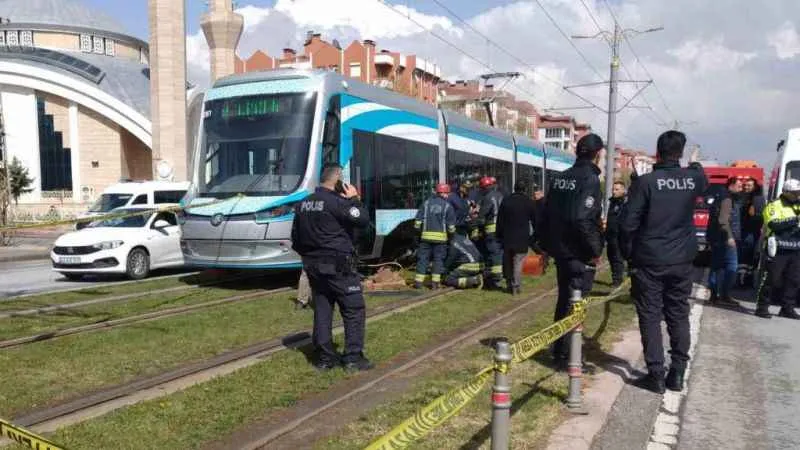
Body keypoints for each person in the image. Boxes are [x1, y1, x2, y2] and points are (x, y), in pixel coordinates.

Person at [621, 130, 707, 394]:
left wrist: (628, 255)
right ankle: (678, 373)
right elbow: (700, 176)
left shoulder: (646, 183)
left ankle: (656, 375)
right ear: (679, 153)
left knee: (650, 316)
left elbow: (627, 225)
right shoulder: (693, 180)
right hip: (682, 260)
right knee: (678, 313)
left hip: (650, 260)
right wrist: (694, 162)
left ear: (657, 152)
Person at [291, 164, 372, 372]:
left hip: (313, 267)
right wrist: (354, 198)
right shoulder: (337, 202)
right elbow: (362, 219)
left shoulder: (303, 204)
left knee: (323, 309)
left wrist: (311, 257)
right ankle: (353, 357)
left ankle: (325, 359)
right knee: (353, 308)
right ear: (338, 181)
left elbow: (296, 239)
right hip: (338, 266)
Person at [540, 133, 605, 365]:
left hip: (561, 251)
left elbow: (546, 214)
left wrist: (547, 247)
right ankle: (568, 356)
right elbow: (582, 219)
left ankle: (558, 349)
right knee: (576, 304)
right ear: (598, 155)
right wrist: (596, 249)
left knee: (564, 300)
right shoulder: (590, 179)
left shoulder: (560, 178)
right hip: (580, 252)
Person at [754, 179, 800, 319]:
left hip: (796, 248)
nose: (798, 195)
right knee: (771, 279)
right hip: (777, 247)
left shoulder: (798, 206)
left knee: (794, 279)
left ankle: (787, 308)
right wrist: (794, 221)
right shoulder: (774, 205)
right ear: (786, 192)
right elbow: (774, 224)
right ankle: (762, 307)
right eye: (795, 193)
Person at [706, 176, 744, 308]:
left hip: (716, 237)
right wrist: (730, 237)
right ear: (731, 185)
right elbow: (723, 221)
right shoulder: (727, 199)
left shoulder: (720, 195)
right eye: (739, 186)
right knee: (732, 266)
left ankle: (713, 296)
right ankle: (724, 295)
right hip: (725, 239)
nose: (741, 188)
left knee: (716, 267)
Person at [497, 180, 537, 295]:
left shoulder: (506, 201)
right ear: (525, 189)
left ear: (514, 188)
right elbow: (535, 221)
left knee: (508, 261)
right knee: (518, 261)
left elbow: (500, 220)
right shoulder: (529, 202)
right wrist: (534, 237)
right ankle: (516, 286)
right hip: (522, 238)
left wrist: (499, 235)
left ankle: (509, 283)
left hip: (507, 237)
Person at [414, 183, 456, 289]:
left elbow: (417, 222)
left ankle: (418, 282)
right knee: (438, 260)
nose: (448, 196)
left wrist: (418, 233)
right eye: (448, 193)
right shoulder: (448, 206)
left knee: (422, 259)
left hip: (425, 238)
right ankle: (435, 284)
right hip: (441, 240)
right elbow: (451, 227)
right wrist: (451, 236)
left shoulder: (426, 203)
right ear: (445, 193)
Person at [477, 176, 505, 290]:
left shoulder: (487, 198)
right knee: (499, 253)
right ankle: (498, 275)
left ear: (484, 187)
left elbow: (482, 216)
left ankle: (495, 278)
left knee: (493, 254)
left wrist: (477, 222)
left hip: (491, 230)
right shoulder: (500, 195)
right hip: (502, 230)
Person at [606, 181, 628, 287]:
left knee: (617, 258)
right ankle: (615, 278)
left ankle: (617, 281)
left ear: (623, 190)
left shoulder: (625, 202)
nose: (614, 192)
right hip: (610, 234)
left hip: (619, 235)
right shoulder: (613, 201)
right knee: (611, 256)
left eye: (617, 189)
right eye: (613, 189)